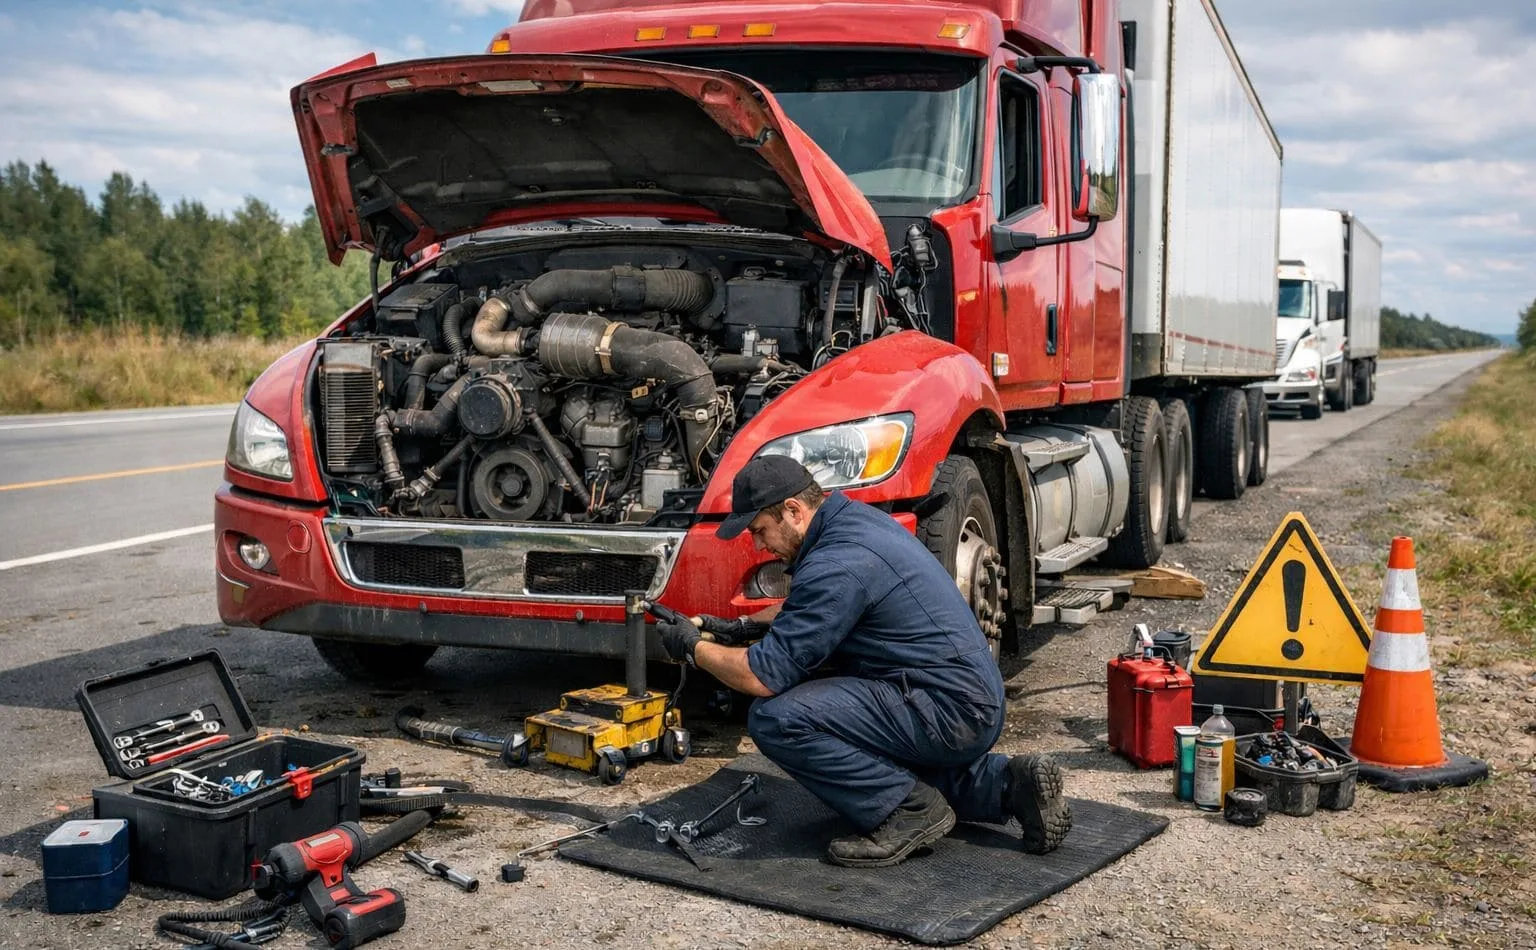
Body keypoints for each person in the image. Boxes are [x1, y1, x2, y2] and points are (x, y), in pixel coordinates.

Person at [656, 454, 1071, 868]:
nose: (759, 544)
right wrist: (740, 627)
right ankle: (1008, 786)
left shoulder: (836, 562)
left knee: (778, 718)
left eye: (760, 531)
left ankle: (907, 811)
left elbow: (761, 676)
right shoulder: (853, 523)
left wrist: (694, 648)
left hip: (950, 711)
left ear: (793, 511)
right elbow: (812, 606)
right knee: (868, 750)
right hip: (963, 698)